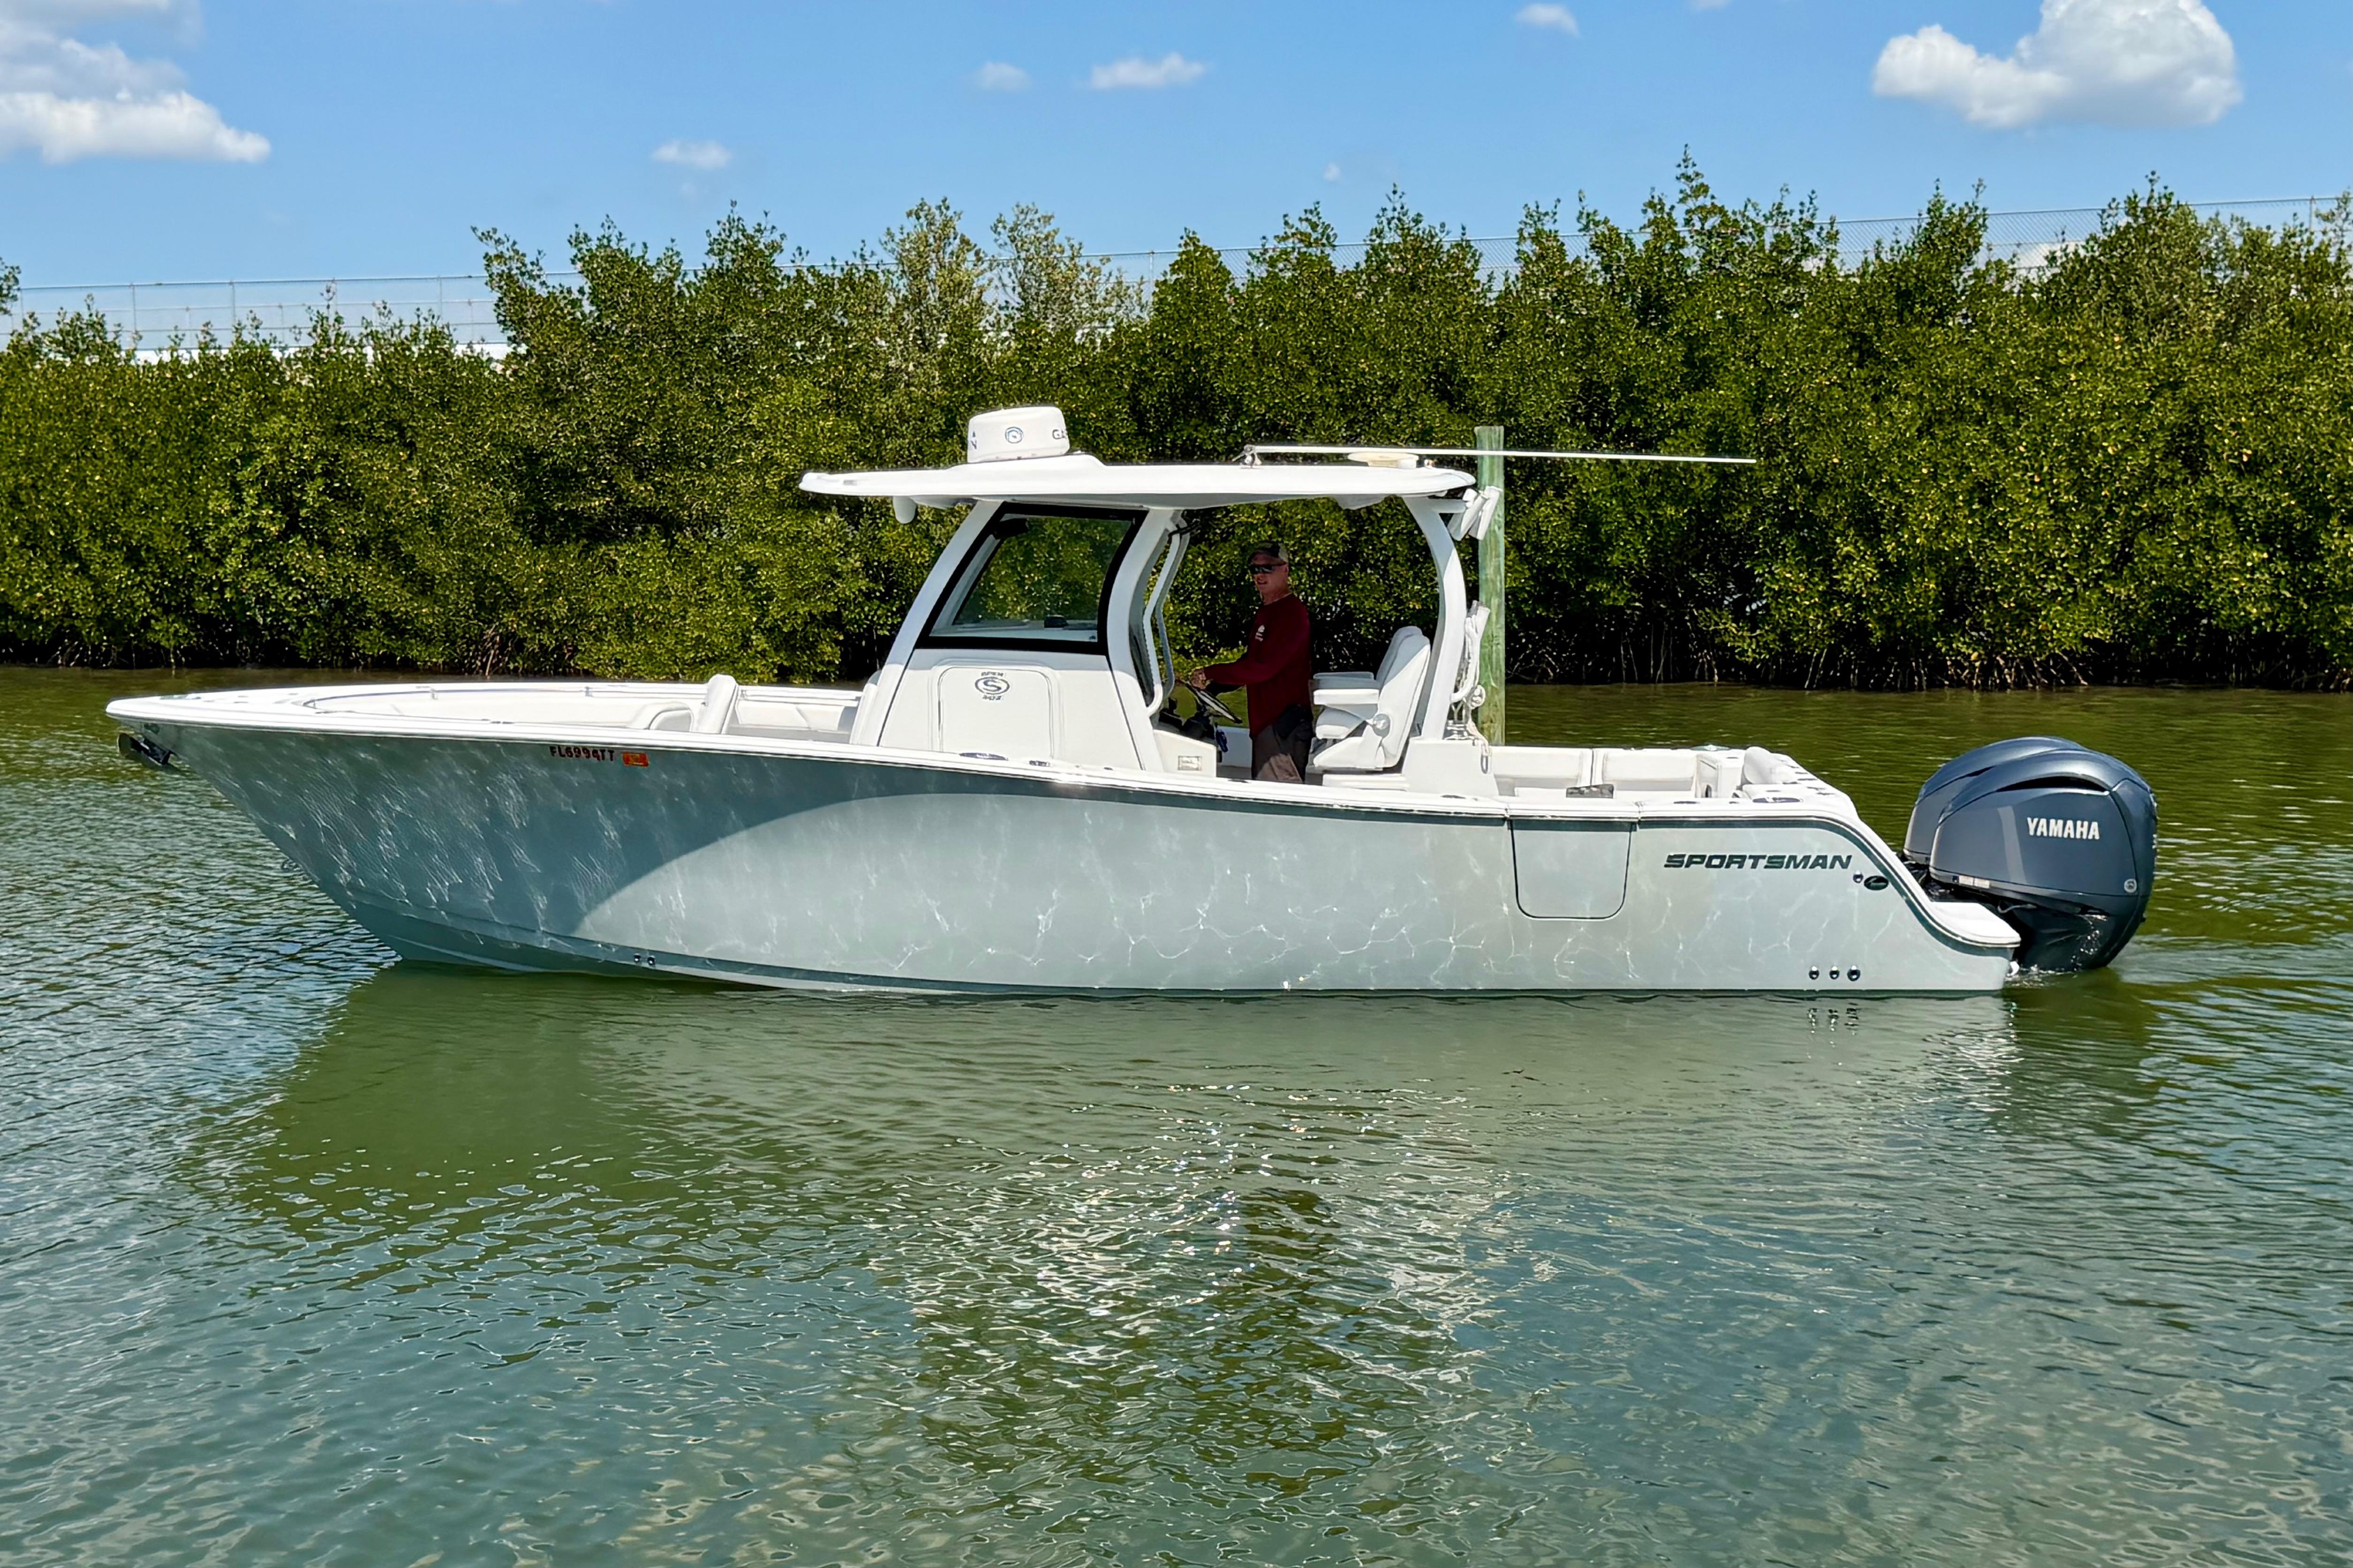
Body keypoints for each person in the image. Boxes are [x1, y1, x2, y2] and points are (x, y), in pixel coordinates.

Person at [1184, 544, 1313, 782]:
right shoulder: (1268, 611)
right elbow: (1252, 662)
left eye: (1268, 567)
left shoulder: (1291, 614)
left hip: (1282, 726)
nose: (1260, 575)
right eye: (1255, 569)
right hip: (1268, 725)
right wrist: (1218, 685)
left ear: (1285, 570)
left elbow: (1263, 669)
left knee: (1278, 803)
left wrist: (1212, 671)